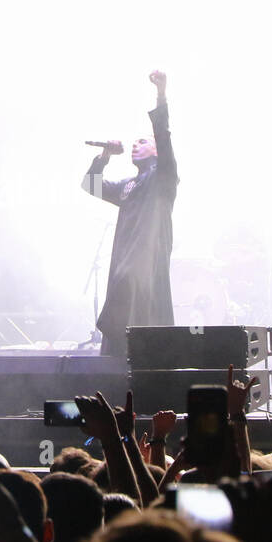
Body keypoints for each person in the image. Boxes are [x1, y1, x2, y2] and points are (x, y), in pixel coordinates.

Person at [81, 71, 178, 356]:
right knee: (120, 324)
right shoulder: (129, 185)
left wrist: (161, 94)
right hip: (123, 269)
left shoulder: (163, 177)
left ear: (158, 151)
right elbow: (91, 185)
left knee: (142, 320)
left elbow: (163, 134)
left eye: (142, 142)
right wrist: (105, 157)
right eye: (134, 142)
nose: (135, 145)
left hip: (146, 270)